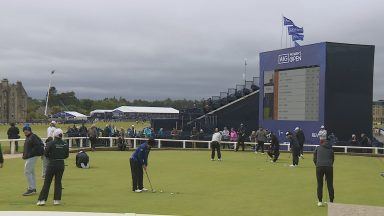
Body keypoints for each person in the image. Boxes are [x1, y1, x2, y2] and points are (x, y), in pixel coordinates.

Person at [37, 129, 69, 206]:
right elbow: (66, 155)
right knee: (58, 182)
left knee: (47, 182)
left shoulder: (51, 143)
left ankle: (42, 200)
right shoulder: (65, 144)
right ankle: (57, 200)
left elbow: (46, 153)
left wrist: (51, 156)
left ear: (54, 135)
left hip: (52, 163)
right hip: (61, 163)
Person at [22, 126, 44, 196]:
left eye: (27, 130)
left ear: (30, 130)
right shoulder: (29, 137)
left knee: (27, 171)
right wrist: (25, 155)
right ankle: (33, 188)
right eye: (24, 131)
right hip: (31, 156)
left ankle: (31, 188)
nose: (25, 131)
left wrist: (31, 153)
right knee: (31, 172)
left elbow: (38, 146)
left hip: (32, 156)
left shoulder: (33, 136)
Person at [313, 139, 335, 207]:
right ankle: (331, 202)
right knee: (330, 184)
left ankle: (320, 201)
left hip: (319, 166)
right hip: (329, 167)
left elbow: (314, 158)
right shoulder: (331, 149)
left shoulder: (318, 148)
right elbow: (332, 159)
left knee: (319, 184)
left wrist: (317, 164)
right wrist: (329, 166)